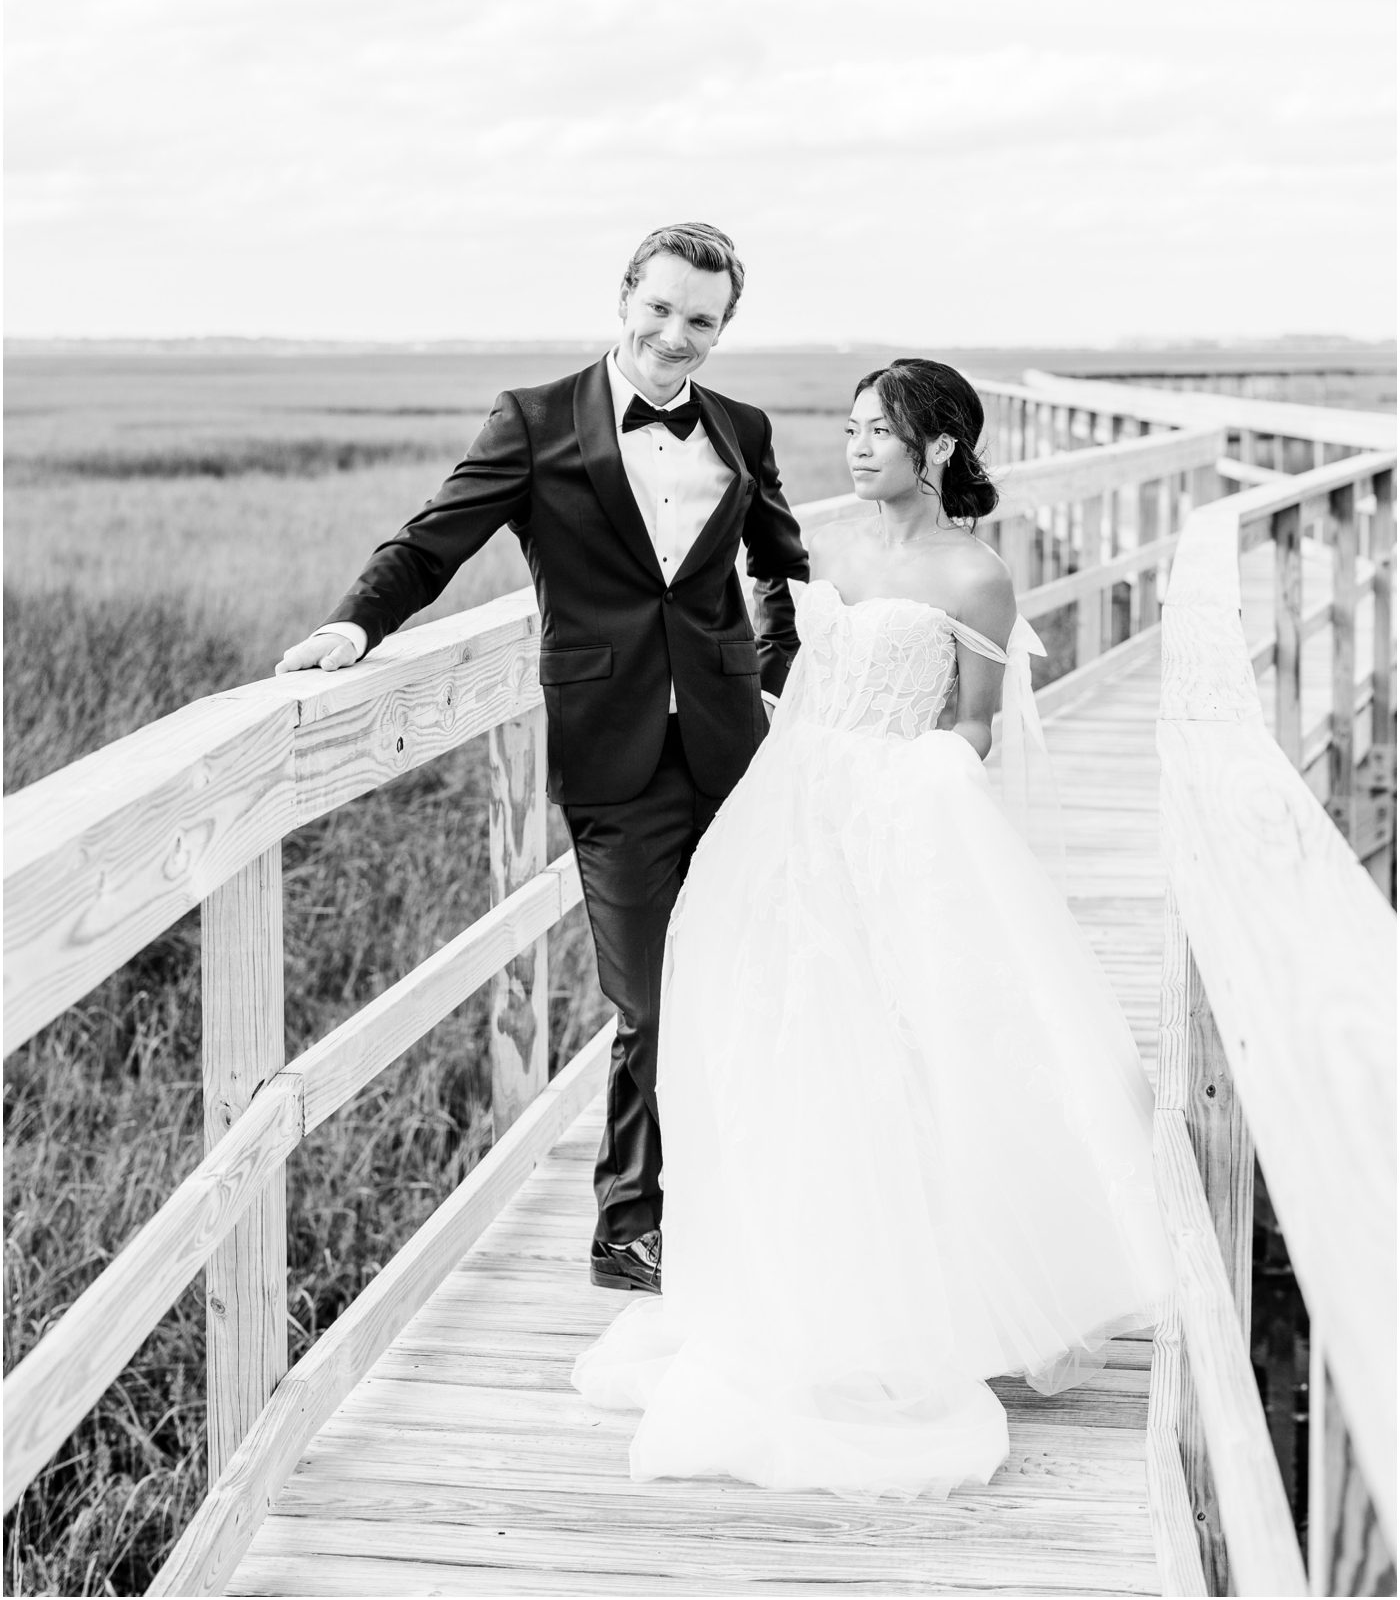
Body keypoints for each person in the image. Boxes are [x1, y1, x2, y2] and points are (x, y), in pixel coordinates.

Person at [572, 359, 1174, 1499]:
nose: (854, 449)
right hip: (794, 810)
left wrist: (897, 799)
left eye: (877, 432)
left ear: (936, 448)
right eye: (846, 428)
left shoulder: (975, 575)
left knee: (899, 1052)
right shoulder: (828, 549)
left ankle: (916, 1307)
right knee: (781, 1040)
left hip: (895, 822)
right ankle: (796, 1292)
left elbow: (975, 731)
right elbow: (787, 678)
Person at [276, 223, 809, 1294]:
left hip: (732, 749)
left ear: (722, 329)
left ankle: (726, 1195)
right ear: (625, 298)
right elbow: (432, 542)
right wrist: (353, 627)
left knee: (749, 978)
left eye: (700, 322)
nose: (675, 336)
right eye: (659, 310)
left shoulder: (741, 428)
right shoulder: (531, 422)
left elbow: (781, 567)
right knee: (650, 999)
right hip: (613, 757)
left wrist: (773, 674)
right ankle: (626, 1226)